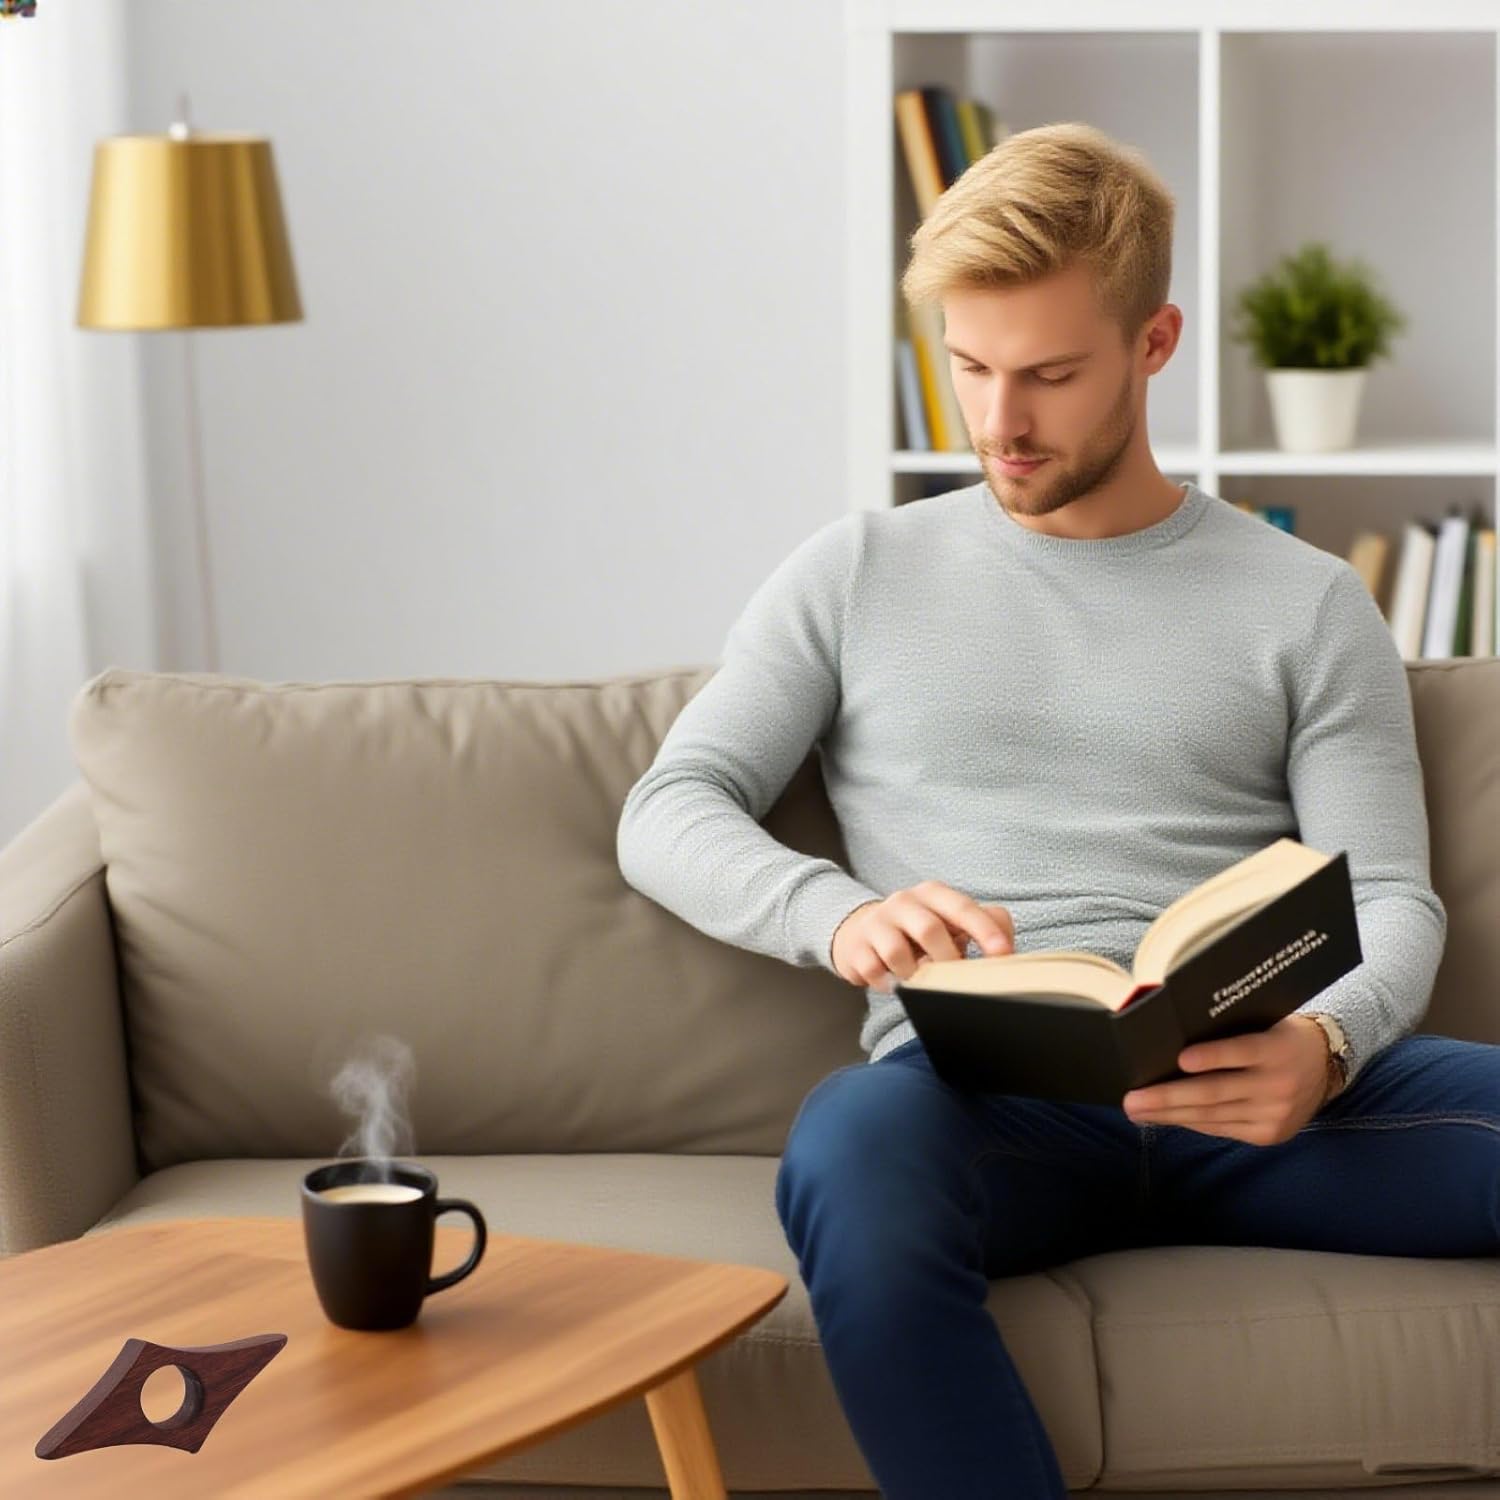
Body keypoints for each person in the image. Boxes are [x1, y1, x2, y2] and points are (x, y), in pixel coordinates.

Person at [615, 120, 1500, 1500]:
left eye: (1049, 375)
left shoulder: (1309, 601)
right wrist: (837, 916)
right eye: (968, 367)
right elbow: (670, 805)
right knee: (846, 1147)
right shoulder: (856, 573)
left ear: (1154, 344)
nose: (998, 423)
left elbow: (1388, 894)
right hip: (980, 1107)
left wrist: (1326, 1048)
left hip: (1262, 1092)